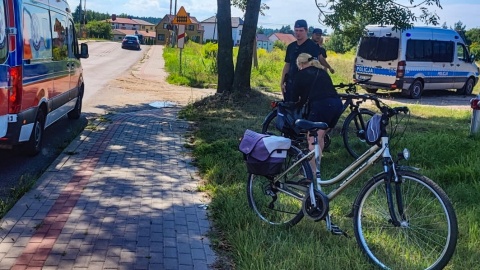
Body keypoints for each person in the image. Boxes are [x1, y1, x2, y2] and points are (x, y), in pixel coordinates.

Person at [292, 53, 343, 172]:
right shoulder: (322, 72)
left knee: (312, 139)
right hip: (336, 104)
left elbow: (295, 97)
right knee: (320, 138)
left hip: (322, 106)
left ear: (301, 64)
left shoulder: (301, 74)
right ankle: (316, 167)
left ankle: (312, 172)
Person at [281, 19, 320, 102]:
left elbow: (315, 67)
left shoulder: (312, 47)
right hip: (290, 83)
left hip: (305, 86)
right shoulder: (291, 47)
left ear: (306, 31)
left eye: (301, 30)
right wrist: (282, 82)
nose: (298, 33)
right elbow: (287, 64)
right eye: (296, 30)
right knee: (288, 109)